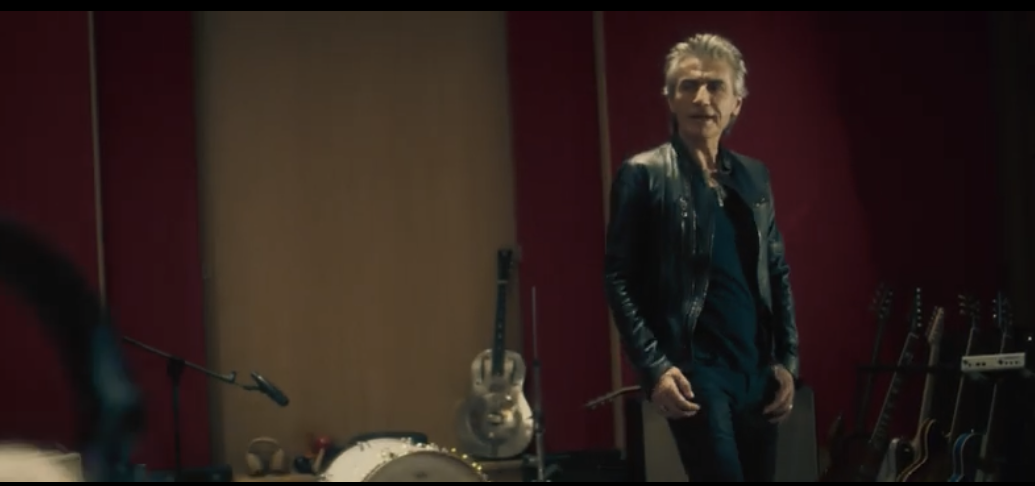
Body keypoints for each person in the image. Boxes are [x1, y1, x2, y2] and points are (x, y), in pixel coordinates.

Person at [603, 33, 799, 482]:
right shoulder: (644, 175)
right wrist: (655, 368)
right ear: (670, 99)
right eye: (688, 85)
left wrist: (787, 361)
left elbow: (776, 271)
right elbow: (619, 278)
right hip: (695, 372)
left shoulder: (754, 176)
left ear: (736, 104)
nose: (702, 98)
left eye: (715, 86)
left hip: (757, 371)